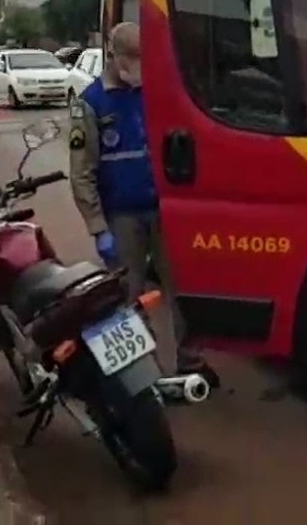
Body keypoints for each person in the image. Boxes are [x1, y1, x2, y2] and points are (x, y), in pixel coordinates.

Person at [68, 22, 206, 378]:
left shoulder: (154, 91)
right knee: (125, 296)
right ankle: (140, 375)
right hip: (121, 216)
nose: (139, 68)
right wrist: (97, 227)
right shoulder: (90, 104)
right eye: (132, 59)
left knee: (183, 287)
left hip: (163, 209)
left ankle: (190, 362)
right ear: (114, 57)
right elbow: (82, 173)